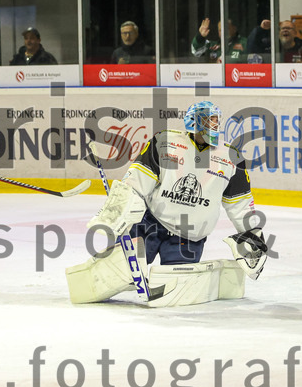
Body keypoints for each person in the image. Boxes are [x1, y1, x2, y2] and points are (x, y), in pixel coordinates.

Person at [75, 101, 268, 307]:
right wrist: (116, 213)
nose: (214, 125)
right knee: (117, 271)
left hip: (189, 237)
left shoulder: (231, 157)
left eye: (216, 120)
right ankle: (84, 286)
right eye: (208, 120)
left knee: (173, 292)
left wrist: (253, 236)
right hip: (150, 224)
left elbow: (240, 204)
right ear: (193, 122)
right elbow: (136, 182)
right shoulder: (165, 142)